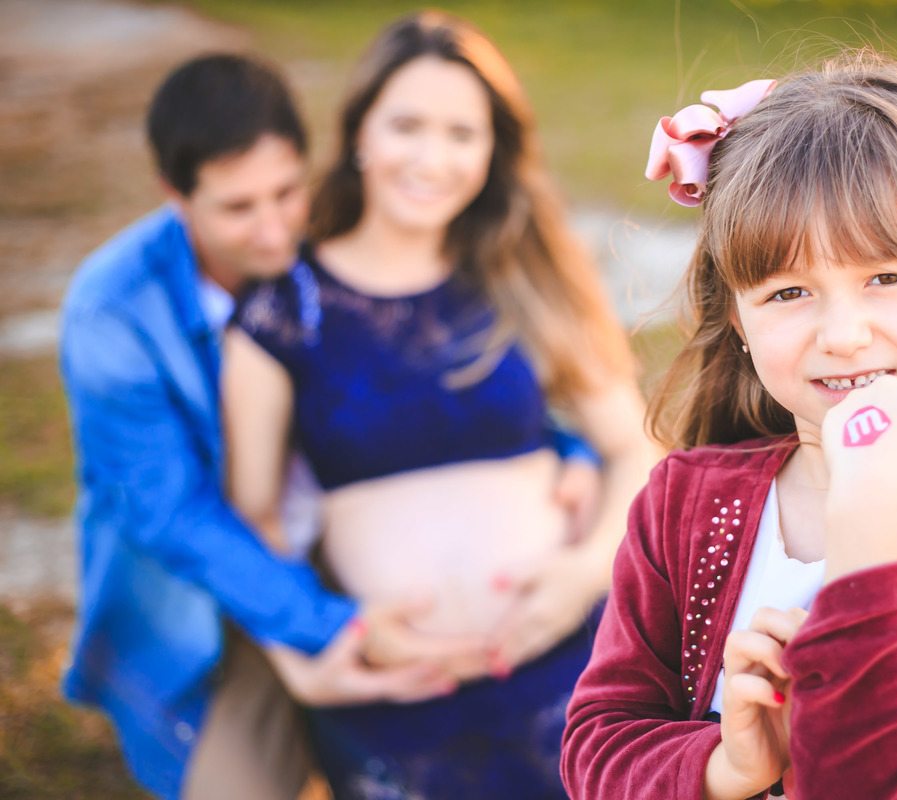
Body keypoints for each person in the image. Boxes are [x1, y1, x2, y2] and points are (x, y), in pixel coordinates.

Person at [562, 53, 897, 800]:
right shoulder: (680, 502)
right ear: (738, 319)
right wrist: (729, 768)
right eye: (788, 292)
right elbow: (600, 748)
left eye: (886, 277)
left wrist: (868, 513)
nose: (843, 334)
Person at [57, 53, 550, 800]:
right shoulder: (112, 312)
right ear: (174, 197)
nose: (273, 229)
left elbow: (434, 387)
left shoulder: (328, 242)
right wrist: (323, 630)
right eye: (237, 208)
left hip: (326, 550)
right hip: (210, 595)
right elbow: (173, 513)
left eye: (286, 192)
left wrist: (568, 453)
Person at [221, 11, 658, 800]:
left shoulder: (523, 274)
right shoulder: (285, 311)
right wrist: (307, 663)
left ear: (493, 152)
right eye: (408, 126)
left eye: (463, 133)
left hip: (574, 666)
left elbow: (632, 447)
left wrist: (585, 575)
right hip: (398, 702)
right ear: (359, 133)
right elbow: (252, 520)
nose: (433, 157)